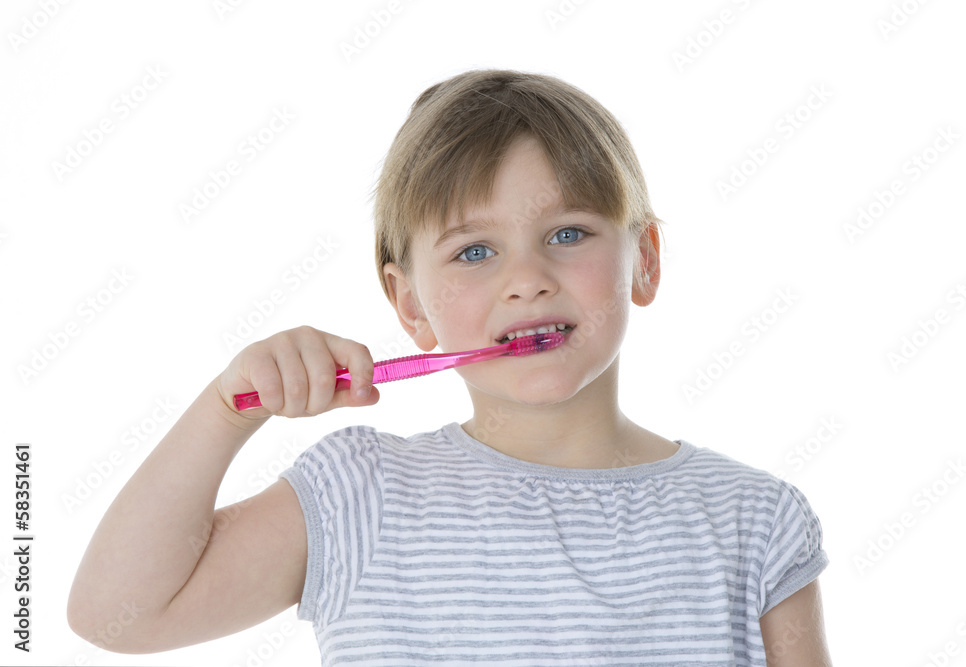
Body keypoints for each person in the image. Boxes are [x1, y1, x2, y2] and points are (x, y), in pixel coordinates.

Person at [67, 68, 833, 665]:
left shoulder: (754, 519)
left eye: (568, 234)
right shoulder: (359, 494)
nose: (526, 276)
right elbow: (116, 613)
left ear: (646, 261)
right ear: (411, 308)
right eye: (474, 250)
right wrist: (227, 410)